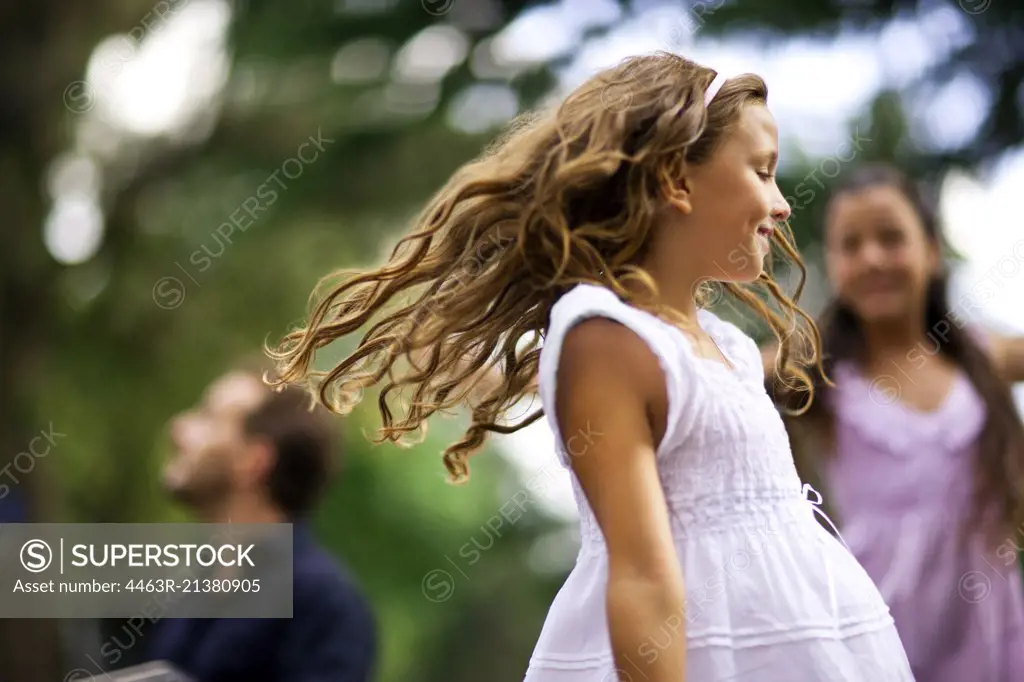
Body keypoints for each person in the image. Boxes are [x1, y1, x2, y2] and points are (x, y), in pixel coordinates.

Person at [267, 53, 914, 681]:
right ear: (675, 180)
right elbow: (639, 574)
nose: (782, 204)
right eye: (762, 171)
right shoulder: (606, 335)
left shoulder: (729, 346)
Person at [766, 164, 1024, 681]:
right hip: (872, 630)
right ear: (832, 263)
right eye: (851, 244)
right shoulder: (813, 367)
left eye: (891, 237)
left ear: (931, 250)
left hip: (986, 629)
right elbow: (700, 369)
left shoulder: (981, 355)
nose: (873, 258)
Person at [145, 362, 377, 682]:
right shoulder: (191, 584)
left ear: (254, 461)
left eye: (208, 419)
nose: (179, 428)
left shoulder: (325, 608)